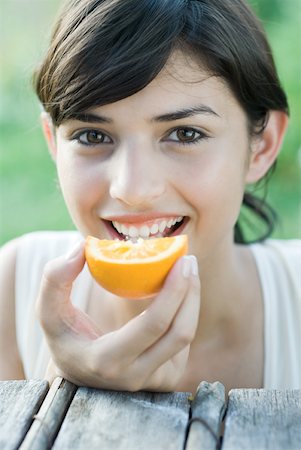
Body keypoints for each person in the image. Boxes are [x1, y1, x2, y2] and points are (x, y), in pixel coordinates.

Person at [0, 0, 300, 394]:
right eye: (93, 136)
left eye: (185, 134)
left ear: (262, 146)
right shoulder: (13, 287)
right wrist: (66, 389)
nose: (133, 191)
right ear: (54, 145)